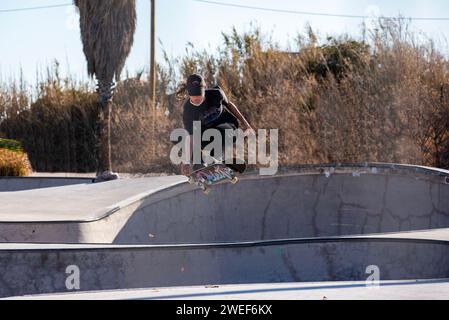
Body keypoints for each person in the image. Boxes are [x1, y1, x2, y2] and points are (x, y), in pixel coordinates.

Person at [180, 74, 255, 175]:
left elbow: (229, 105)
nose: (197, 99)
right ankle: (202, 164)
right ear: (189, 95)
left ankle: (217, 160)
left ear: (204, 91)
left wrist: (246, 124)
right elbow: (191, 137)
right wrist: (187, 161)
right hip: (208, 135)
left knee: (219, 133)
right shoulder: (188, 110)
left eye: (199, 96)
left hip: (228, 127)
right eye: (194, 98)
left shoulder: (216, 94)